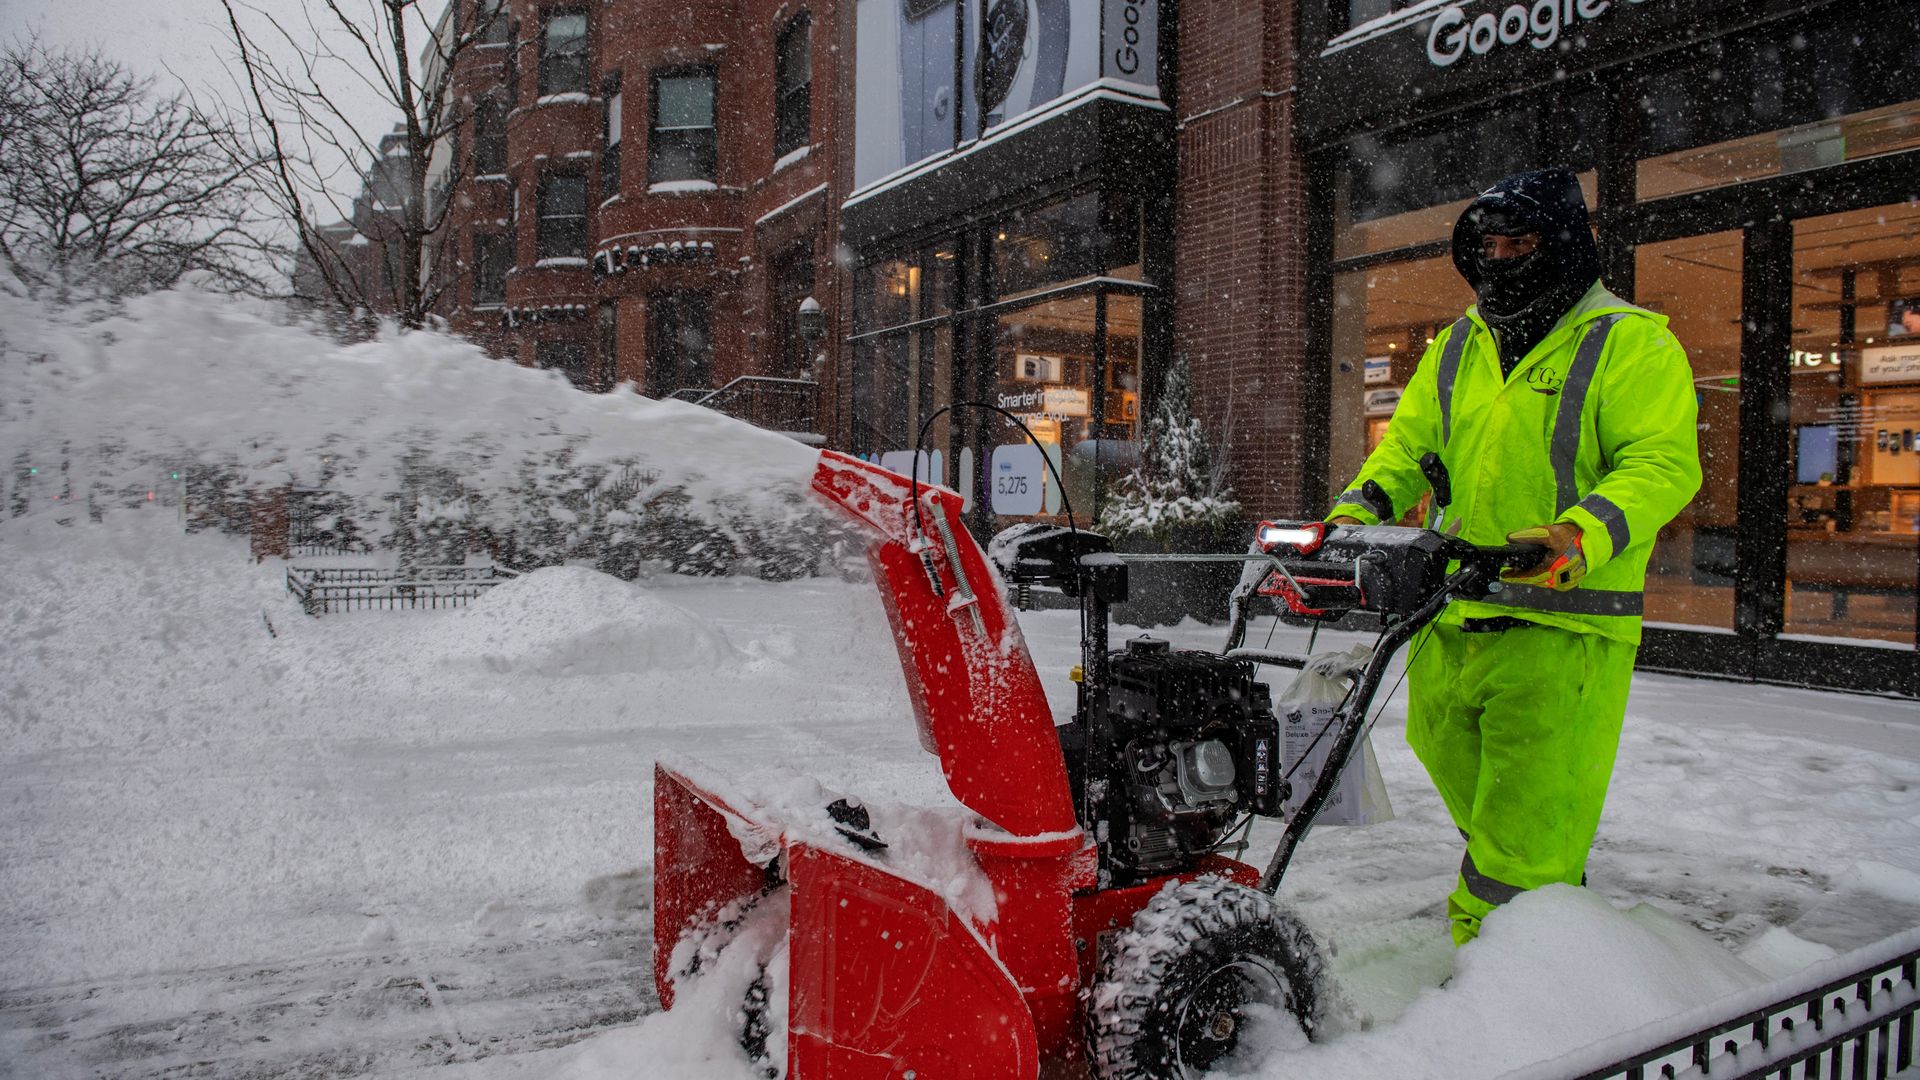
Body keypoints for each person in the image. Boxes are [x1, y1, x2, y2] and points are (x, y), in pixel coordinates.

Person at [1327, 168, 1702, 946]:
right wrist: (1357, 513)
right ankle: (1557, 912)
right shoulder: (1461, 343)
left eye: (1519, 242)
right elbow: (1408, 447)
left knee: (1520, 841)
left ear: (1562, 244)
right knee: (1470, 780)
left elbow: (1661, 465)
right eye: (1490, 245)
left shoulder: (1630, 343)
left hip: (1564, 628)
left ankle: (1507, 993)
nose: (1501, 259)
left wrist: (1576, 535)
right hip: (1454, 611)